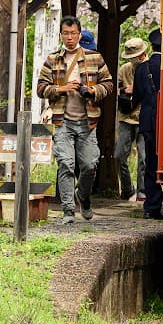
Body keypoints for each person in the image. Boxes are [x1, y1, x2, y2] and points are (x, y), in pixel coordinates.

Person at [36, 16, 110, 223]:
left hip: (88, 121)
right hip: (63, 121)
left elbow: (109, 83)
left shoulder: (94, 57)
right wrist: (61, 88)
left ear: (79, 34)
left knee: (89, 165)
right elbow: (40, 88)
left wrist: (92, 91)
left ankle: (83, 197)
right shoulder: (52, 59)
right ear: (61, 35)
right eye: (65, 33)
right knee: (66, 164)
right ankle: (68, 210)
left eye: (73, 33)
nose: (69, 37)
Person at [132, 28, 163, 219]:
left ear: (151, 46)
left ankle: (151, 207)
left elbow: (136, 97)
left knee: (151, 163)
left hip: (148, 121)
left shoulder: (142, 69)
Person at [115, 36, 150, 202]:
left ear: (143, 54)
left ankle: (142, 191)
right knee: (119, 155)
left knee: (144, 157)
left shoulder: (151, 67)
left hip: (143, 116)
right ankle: (128, 189)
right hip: (125, 117)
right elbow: (115, 89)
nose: (133, 60)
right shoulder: (124, 69)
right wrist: (125, 90)